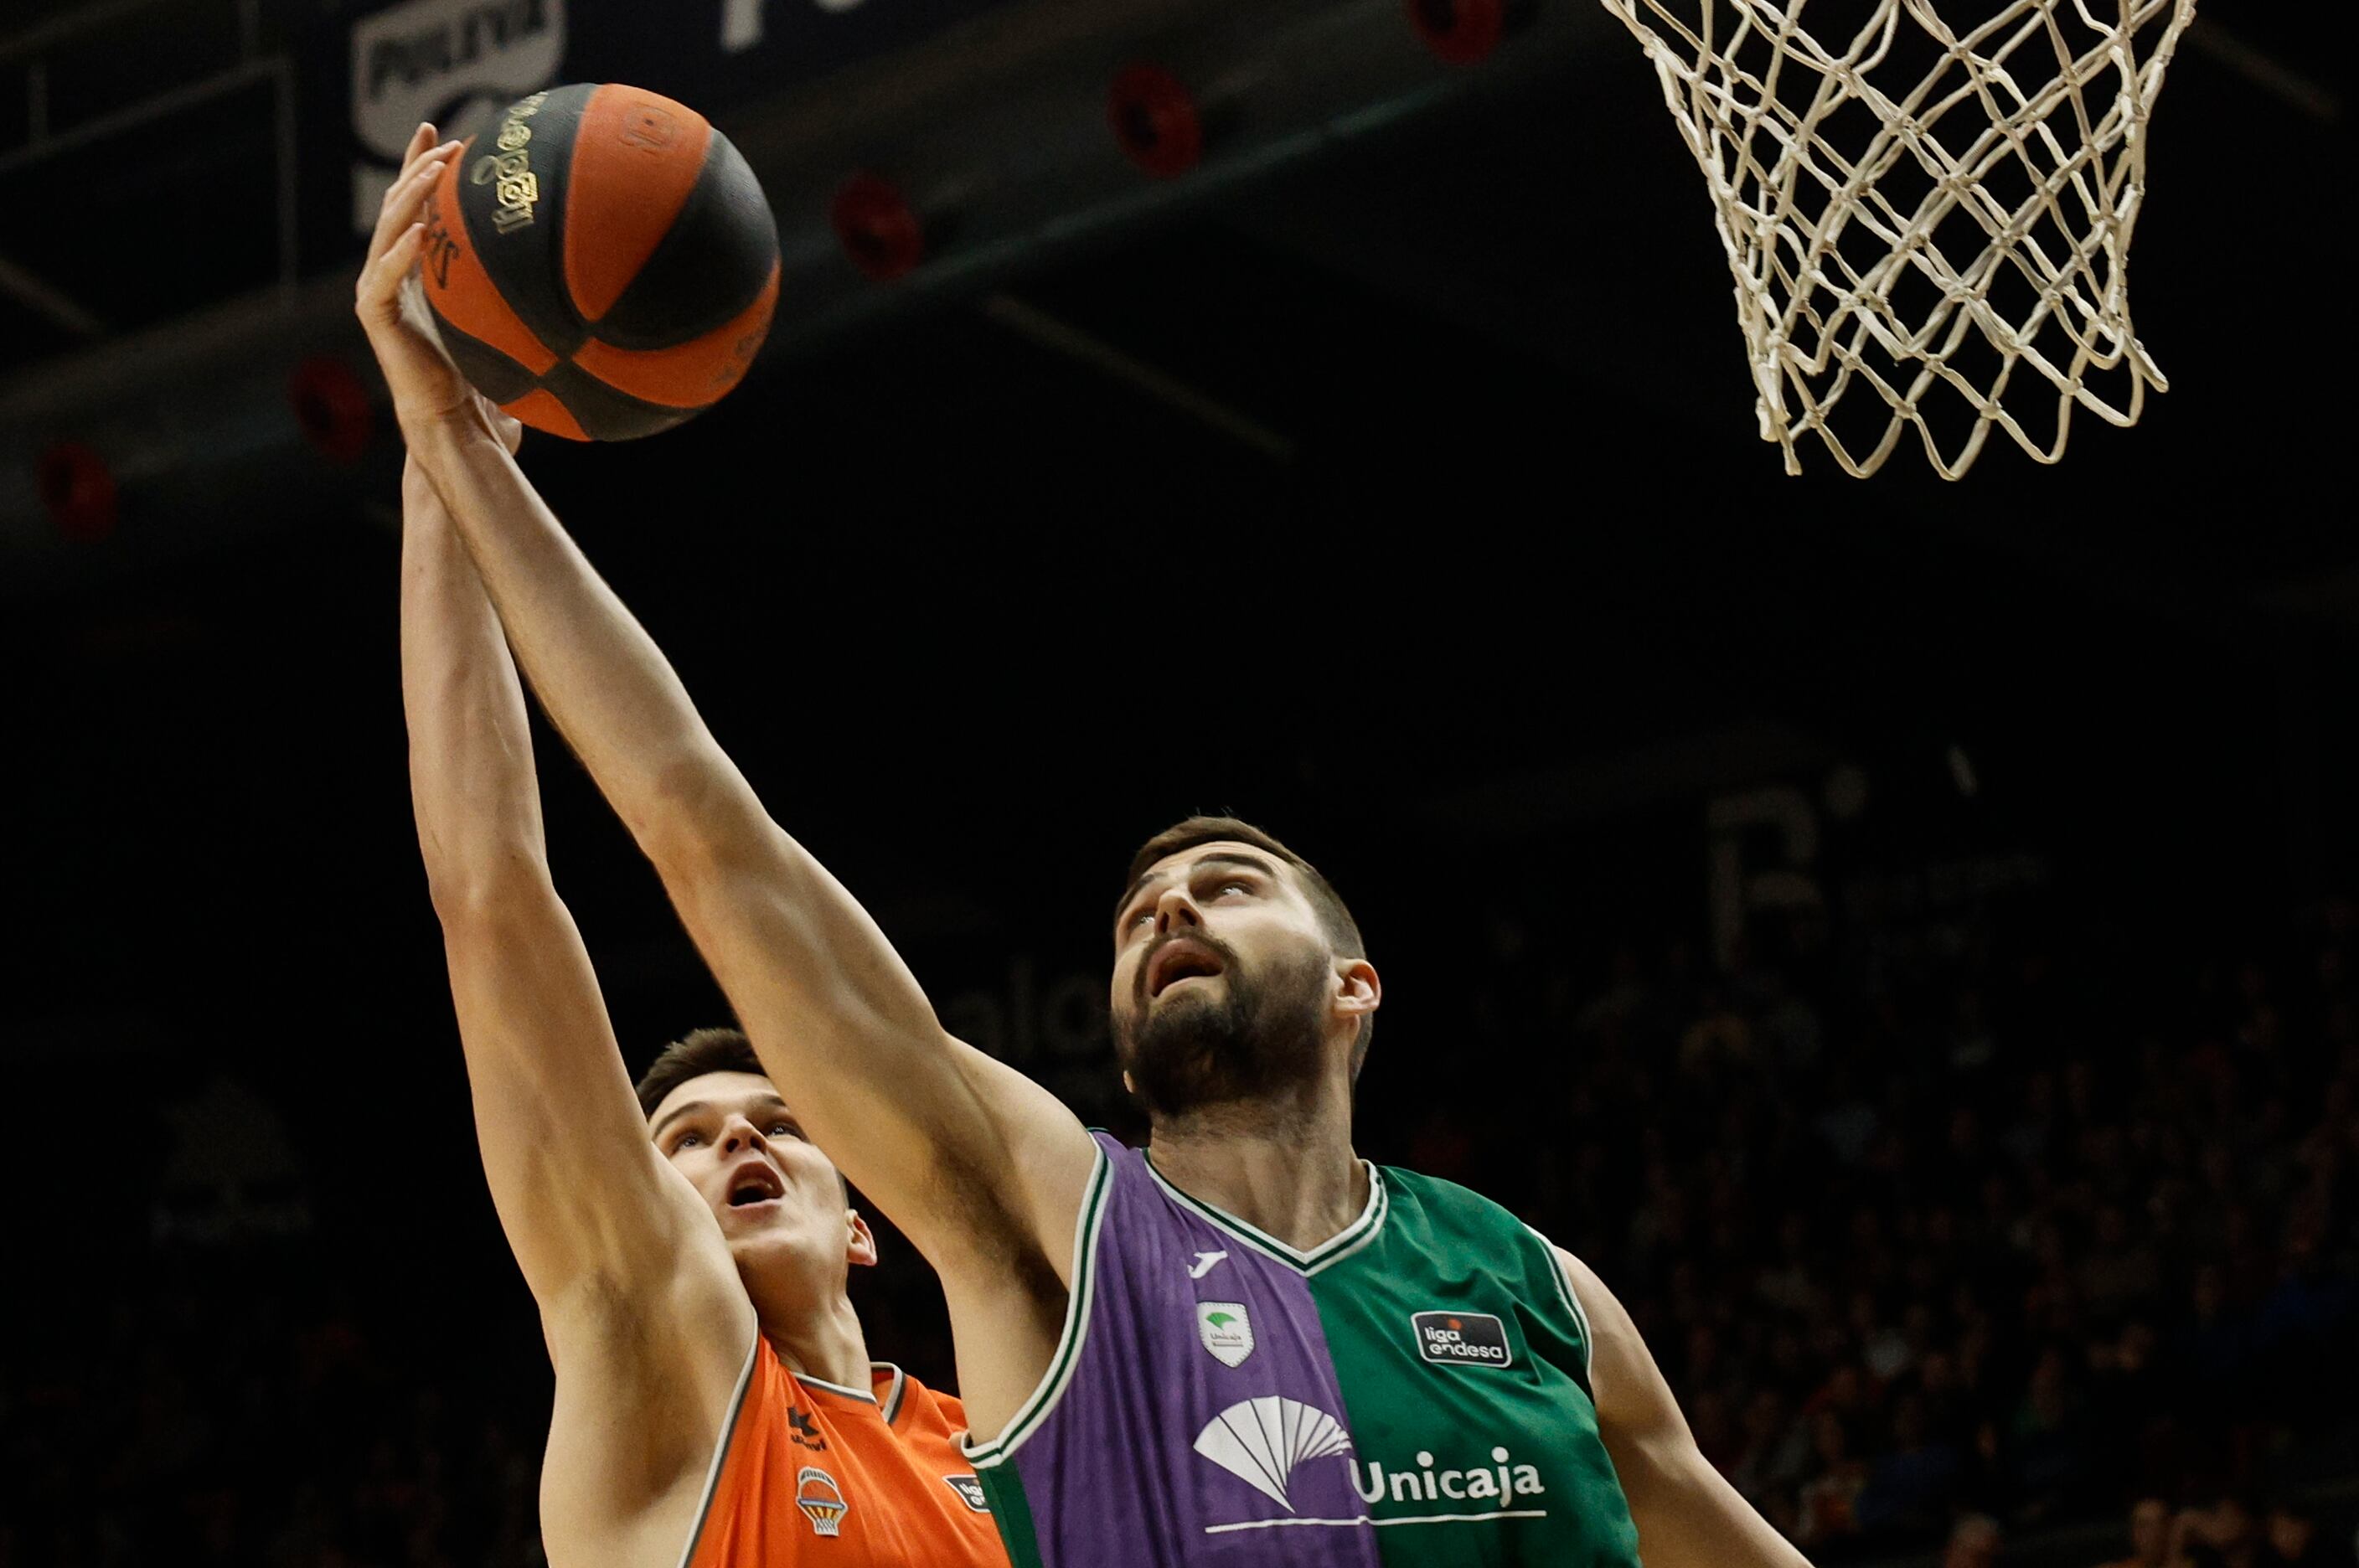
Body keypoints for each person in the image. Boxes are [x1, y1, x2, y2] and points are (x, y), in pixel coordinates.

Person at [362, 124, 1813, 1568]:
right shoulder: (1049, 1239)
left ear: (1356, 983)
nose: (1170, 905)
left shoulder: (1530, 1292)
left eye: (1228, 886)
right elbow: (683, 841)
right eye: (1134, 917)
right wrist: (450, 456)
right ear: (1118, 1057)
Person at [391, 168, 1009, 1568]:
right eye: (683, 1141)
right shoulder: (658, 1370)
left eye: (782, 1123)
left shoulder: (1005, 1450)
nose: (738, 1138)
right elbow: (489, 897)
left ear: (867, 1224)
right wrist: (443, 459)